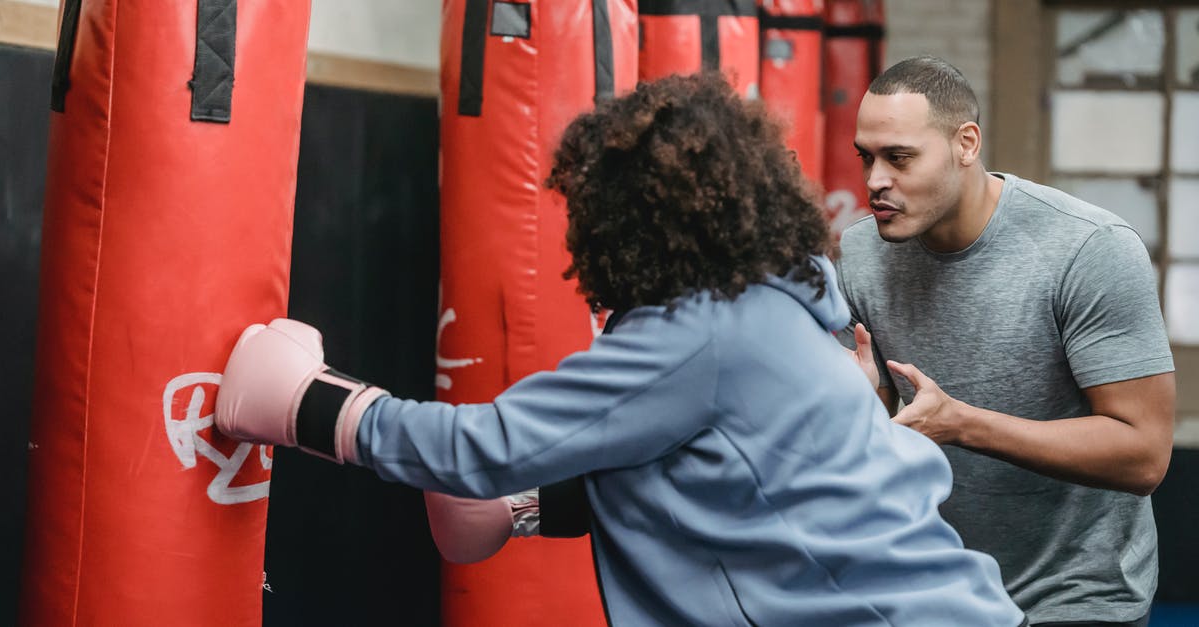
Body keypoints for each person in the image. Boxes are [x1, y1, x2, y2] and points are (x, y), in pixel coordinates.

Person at [215, 72, 1025, 626]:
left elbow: (478, 446)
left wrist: (304, 402)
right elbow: (720, 477)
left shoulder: (704, 332)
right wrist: (530, 508)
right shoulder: (790, 301)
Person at [836, 56, 1176, 627]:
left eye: (899, 158)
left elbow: (1143, 455)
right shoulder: (859, 256)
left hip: (1075, 595)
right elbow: (885, 436)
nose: (874, 182)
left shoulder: (1090, 249)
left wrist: (961, 422)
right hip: (933, 587)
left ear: (966, 143)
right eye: (865, 158)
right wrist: (859, 406)